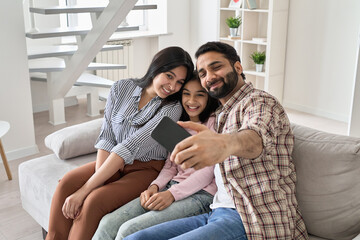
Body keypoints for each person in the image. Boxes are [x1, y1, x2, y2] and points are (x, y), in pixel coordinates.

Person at [123, 41, 309, 240]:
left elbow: (255, 137)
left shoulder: (260, 102)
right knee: (134, 238)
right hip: (216, 212)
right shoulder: (219, 115)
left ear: (238, 67)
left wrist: (225, 144)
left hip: (253, 218)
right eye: (202, 73)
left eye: (216, 67)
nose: (209, 77)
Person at [45, 46, 194, 240]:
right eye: (169, 76)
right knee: (66, 184)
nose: (173, 86)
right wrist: (100, 177)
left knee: (93, 201)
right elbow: (107, 136)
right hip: (111, 161)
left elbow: (129, 146)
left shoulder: (172, 108)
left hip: (145, 169)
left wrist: (87, 189)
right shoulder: (121, 87)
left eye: (179, 82)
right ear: (156, 68)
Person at [92, 74, 220, 240]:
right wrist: (154, 187)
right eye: (186, 94)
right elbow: (170, 166)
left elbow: (208, 171)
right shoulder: (176, 123)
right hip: (171, 187)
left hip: (201, 195)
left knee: (129, 230)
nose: (191, 100)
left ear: (209, 97)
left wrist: (172, 194)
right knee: (107, 223)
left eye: (200, 95)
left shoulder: (215, 124)